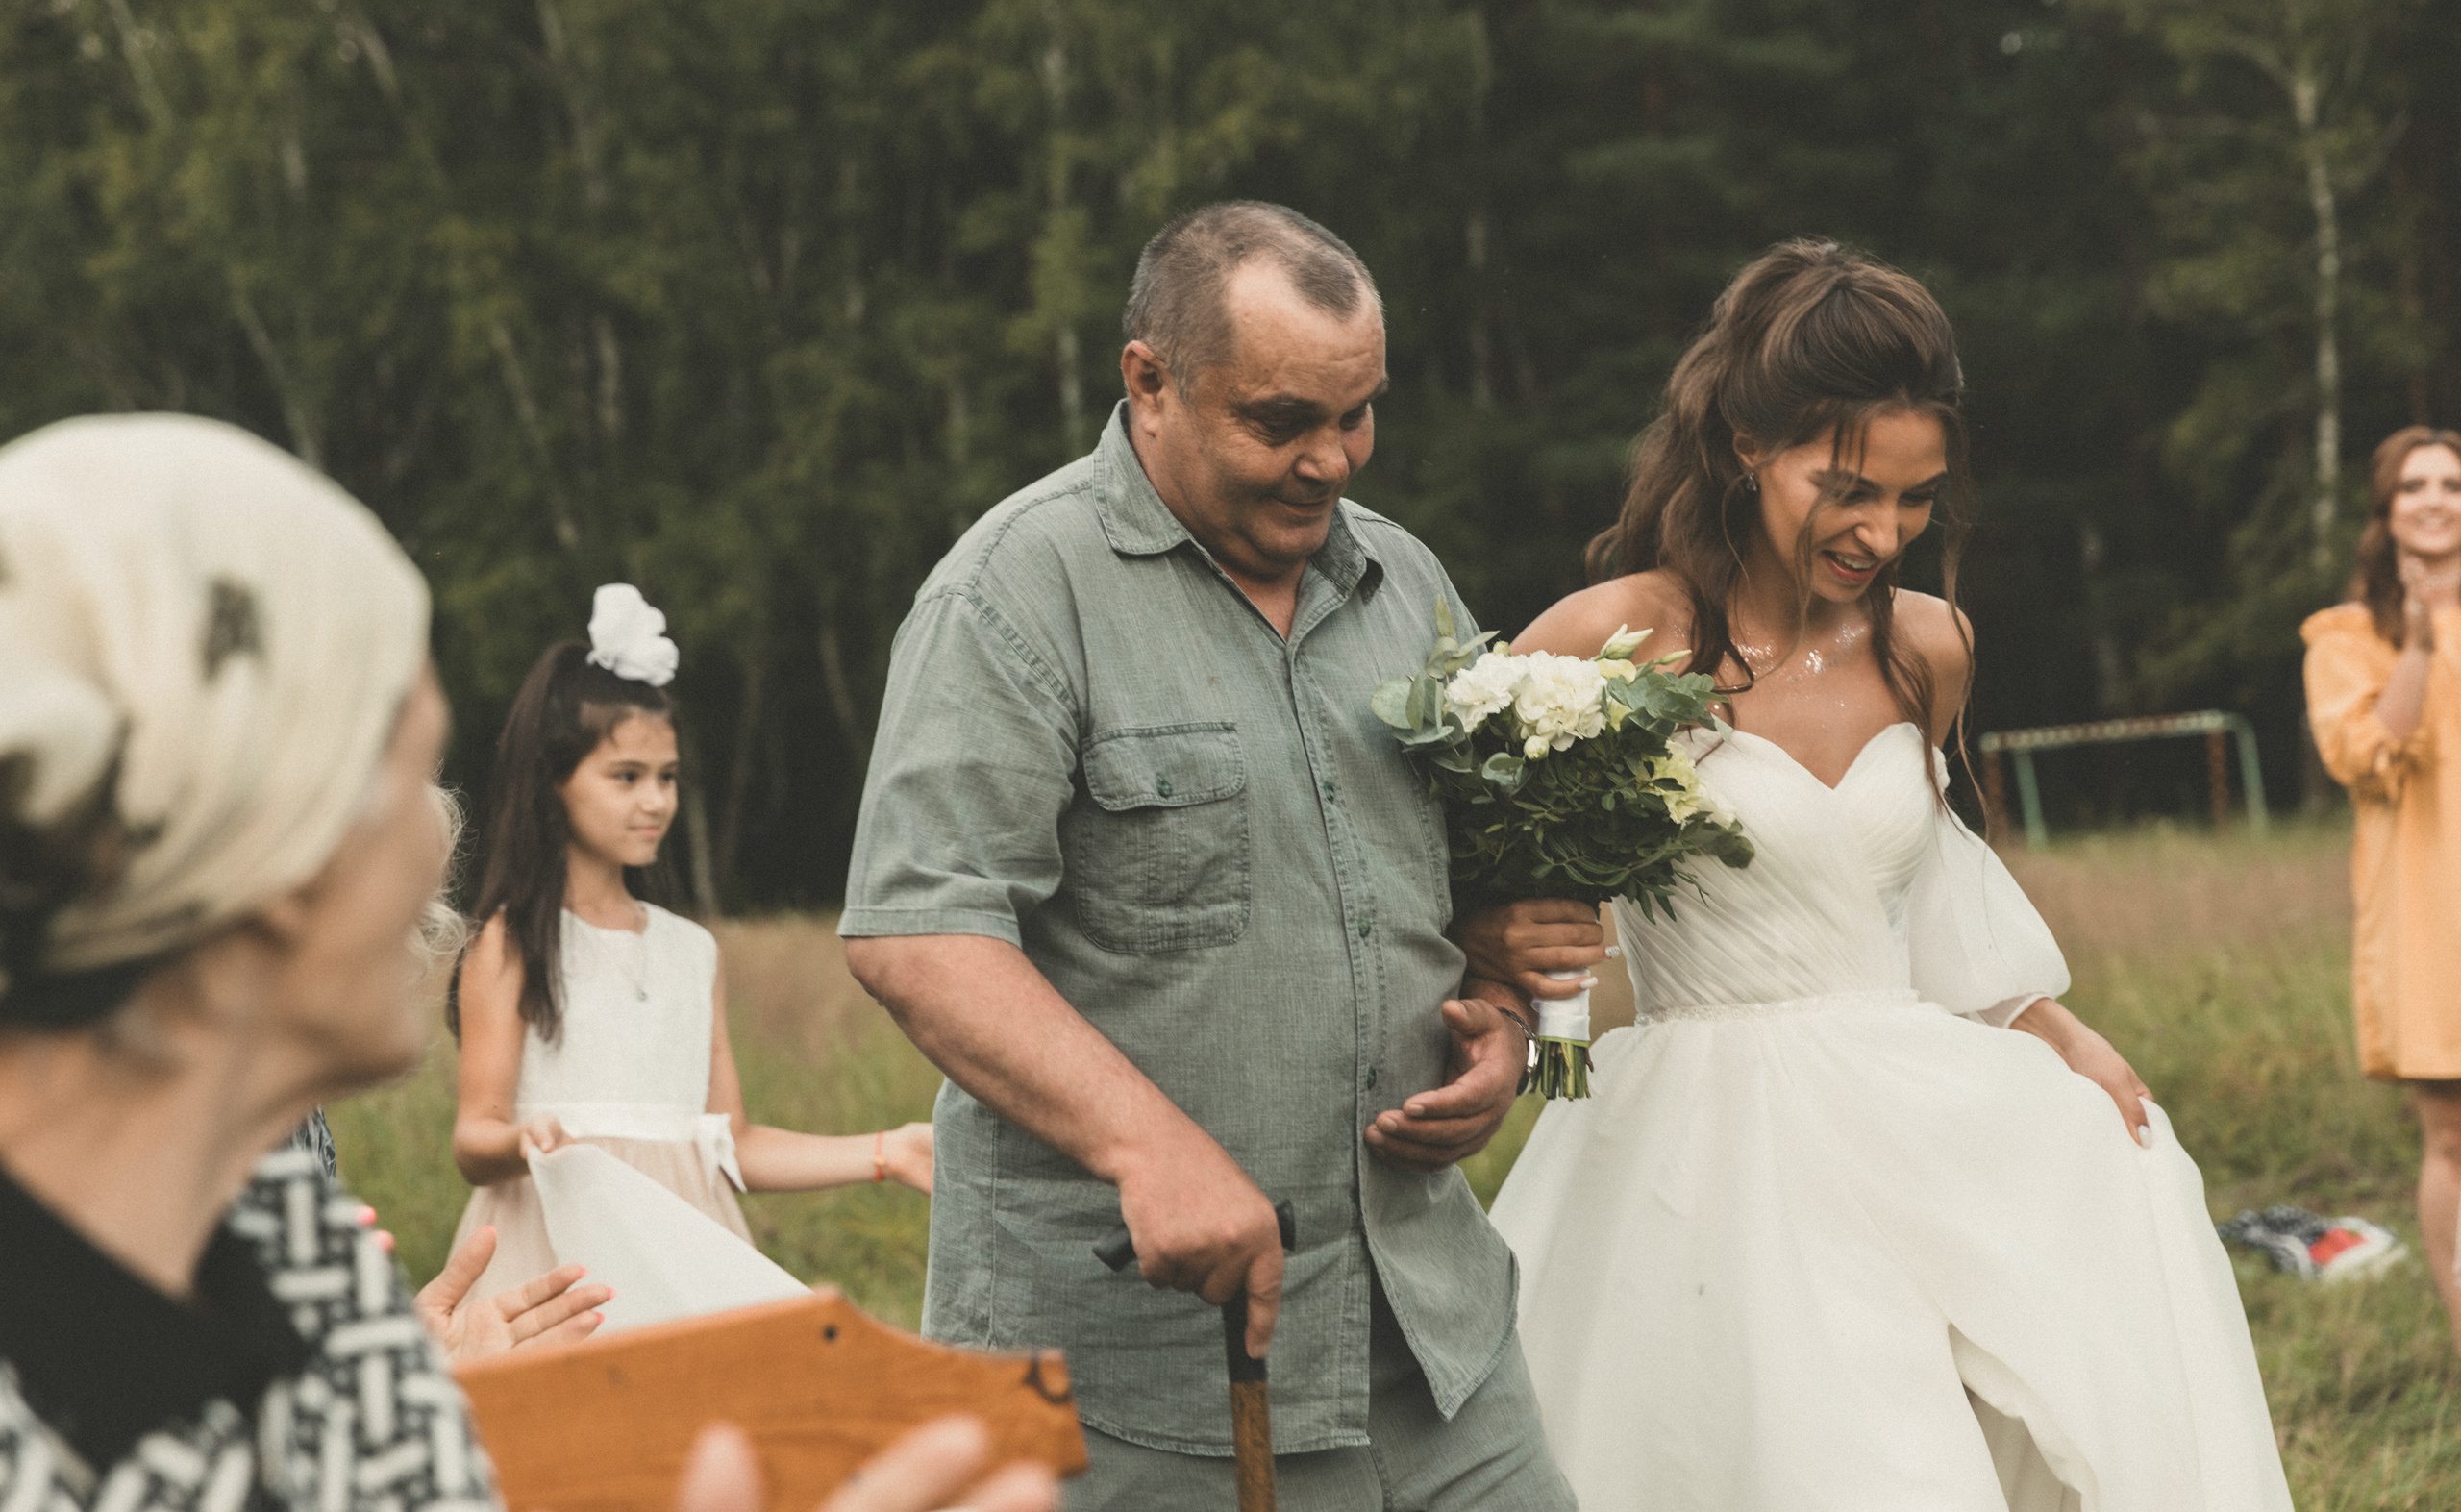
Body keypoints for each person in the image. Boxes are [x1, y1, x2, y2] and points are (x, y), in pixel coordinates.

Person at [0, 414, 1055, 1512]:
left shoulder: (279, 1243)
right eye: (409, 777)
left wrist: (425, 1421)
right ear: (260, 847)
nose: (440, 845)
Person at [1481, 242, 2293, 1509]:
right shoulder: (1614, 639)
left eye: (1916, 499)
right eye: (1847, 488)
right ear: (1748, 445)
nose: (1881, 533)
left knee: (2118, 1199)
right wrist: (1523, 983)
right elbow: (1479, 881)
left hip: (1905, 1104)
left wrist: (2053, 1026)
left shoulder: (1929, 645)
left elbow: (1924, 895)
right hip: (1709, 1140)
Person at [842, 201, 1577, 1510]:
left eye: (1358, 415)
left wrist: (1502, 1025)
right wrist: (1149, 1149)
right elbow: (921, 932)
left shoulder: (1407, 582)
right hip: (1136, 1384)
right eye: (1281, 421)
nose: (1330, 460)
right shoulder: (1013, 592)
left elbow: (1483, 892)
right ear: (1150, 381)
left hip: (1436, 1346)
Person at [447, 596, 932, 1309]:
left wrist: (890, 1150)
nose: (655, 801)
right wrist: (523, 1138)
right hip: (555, 1261)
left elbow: (730, 1146)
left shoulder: (691, 951)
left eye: (667, 776)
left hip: (683, 1263)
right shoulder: (512, 940)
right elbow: (473, 1138)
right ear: (554, 779)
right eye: (627, 776)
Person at [2302, 425, 2461, 1345]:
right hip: (2432, 914)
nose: (2435, 499)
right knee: (2453, 1138)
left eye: (2451, 483)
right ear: (2387, 509)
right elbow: (2367, 755)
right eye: (2414, 485)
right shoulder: (2346, 636)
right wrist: (2423, 641)